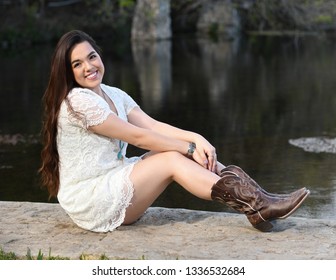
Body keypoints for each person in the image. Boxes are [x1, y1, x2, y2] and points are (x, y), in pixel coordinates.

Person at [39, 30, 310, 233]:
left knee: (175, 150)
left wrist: (195, 138)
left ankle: (260, 199)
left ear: (99, 56)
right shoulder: (78, 102)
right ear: (69, 71)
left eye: (92, 56)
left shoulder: (113, 94)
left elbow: (153, 126)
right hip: (92, 198)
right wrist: (186, 148)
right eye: (77, 64)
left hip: (112, 179)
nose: (89, 67)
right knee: (171, 157)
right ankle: (257, 206)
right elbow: (136, 136)